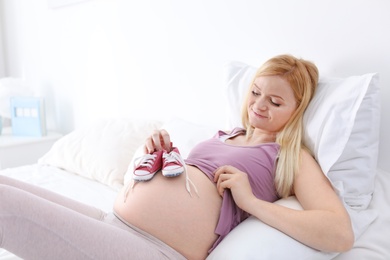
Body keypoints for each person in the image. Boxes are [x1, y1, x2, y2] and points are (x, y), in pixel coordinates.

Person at [0, 54, 354, 260]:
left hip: (153, 249)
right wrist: (152, 153)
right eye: (256, 93)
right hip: (114, 220)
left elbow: (339, 234)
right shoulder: (225, 134)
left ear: (297, 110)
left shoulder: (290, 158)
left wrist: (251, 202)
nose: (259, 106)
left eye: (275, 102)